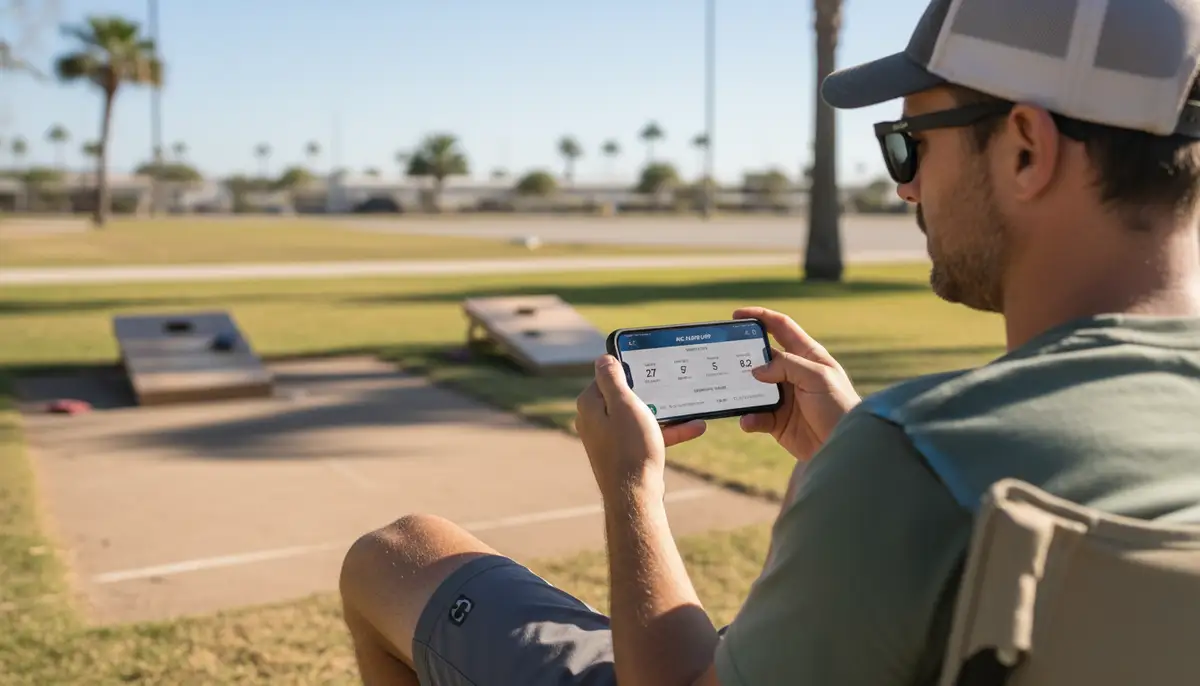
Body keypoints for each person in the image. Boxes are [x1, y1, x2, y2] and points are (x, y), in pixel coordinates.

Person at [337, 0, 1200, 683]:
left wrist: (631, 489)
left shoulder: (920, 463)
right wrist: (850, 448)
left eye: (908, 144)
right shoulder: (910, 462)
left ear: (1024, 149)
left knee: (395, 556)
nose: (905, 189)